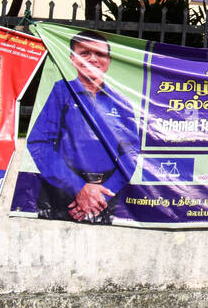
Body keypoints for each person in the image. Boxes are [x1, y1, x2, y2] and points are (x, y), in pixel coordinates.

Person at [26, 30, 139, 224]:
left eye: (100, 54)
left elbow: (131, 153)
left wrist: (101, 197)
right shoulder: (61, 91)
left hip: (105, 198)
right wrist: (78, 188)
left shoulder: (121, 103)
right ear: (72, 59)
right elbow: (39, 143)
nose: (93, 59)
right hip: (61, 194)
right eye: (84, 53)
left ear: (109, 60)